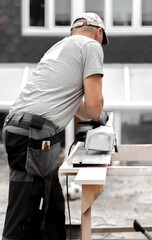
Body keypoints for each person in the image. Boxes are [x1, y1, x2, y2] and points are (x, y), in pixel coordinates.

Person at [2, 12, 109, 240]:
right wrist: (100, 116)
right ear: (98, 33)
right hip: (35, 132)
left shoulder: (58, 48)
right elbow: (94, 107)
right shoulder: (91, 46)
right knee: (29, 211)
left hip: (18, 127)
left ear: (71, 31)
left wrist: (92, 112)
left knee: (52, 206)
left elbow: (76, 105)